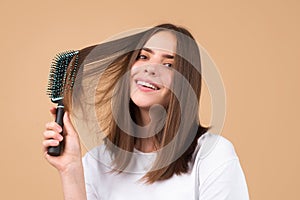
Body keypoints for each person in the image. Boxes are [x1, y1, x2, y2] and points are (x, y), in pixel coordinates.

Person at [43, 23, 249, 199]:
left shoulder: (212, 155)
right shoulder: (97, 163)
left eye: (169, 64)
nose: (151, 68)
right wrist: (70, 169)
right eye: (143, 56)